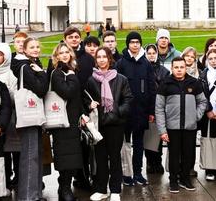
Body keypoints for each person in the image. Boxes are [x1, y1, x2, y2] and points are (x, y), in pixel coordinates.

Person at [85, 47, 133, 201]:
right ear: (96, 60)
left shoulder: (121, 79)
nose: (101, 60)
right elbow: (86, 99)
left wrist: (117, 112)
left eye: (104, 56)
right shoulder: (91, 80)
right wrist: (89, 105)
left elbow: (128, 99)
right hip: (99, 125)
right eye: (98, 57)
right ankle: (101, 189)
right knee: (100, 157)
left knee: (115, 157)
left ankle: (115, 190)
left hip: (116, 124)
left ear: (109, 58)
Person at [156, 57, 208, 193]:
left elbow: (203, 102)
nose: (179, 70)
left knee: (188, 154)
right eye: (176, 67)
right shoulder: (165, 84)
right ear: (172, 69)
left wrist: (196, 116)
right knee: (174, 154)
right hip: (172, 127)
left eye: (181, 67)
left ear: (186, 68)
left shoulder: (194, 83)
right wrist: (162, 130)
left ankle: (185, 179)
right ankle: (173, 180)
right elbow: (159, 108)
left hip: (189, 127)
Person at [116, 31, 156, 186]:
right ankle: (126, 173)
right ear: (128, 44)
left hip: (141, 110)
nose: (135, 45)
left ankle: (138, 172)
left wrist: (151, 111)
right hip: (125, 111)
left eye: (137, 42)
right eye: (132, 42)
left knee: (139, 144)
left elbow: (152, 87)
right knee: (125, 144)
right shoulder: (121, 63)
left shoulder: (146, 63)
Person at [11, 37, 49, 201]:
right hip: (29, 115)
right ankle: (28, 196)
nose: (35, 50)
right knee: (30, 155)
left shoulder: (32, 63)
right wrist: (41, 73)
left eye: (37, 47)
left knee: (35, 154)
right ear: (24, 50)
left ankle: (35, 194)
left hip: (33, 115)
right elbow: (41, 89)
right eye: (31, 47)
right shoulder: (26, 66)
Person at [49, 43, 83, 201]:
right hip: (61, 121)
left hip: (73, 119)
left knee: (73, 157)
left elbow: (78, 95)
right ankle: (64, 188)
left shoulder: (72, 70)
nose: (64, 55)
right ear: (56, 56)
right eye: (60, 53)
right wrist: (70, 76)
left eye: (66, 52)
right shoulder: (57, 73)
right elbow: (67, 92)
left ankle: (65, 186)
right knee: (64, 157)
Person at [0, 42, 20, 190]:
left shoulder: (10, 75)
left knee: (12, 148)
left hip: (9, 118)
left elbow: (14, 98)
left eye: (0, 54)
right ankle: (3, 180)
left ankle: (17, 178)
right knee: (0, 152)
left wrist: (4, 93)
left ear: (5, 58)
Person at [198, 49, 216, 182]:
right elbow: (201, 94)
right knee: (208, 139)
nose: (213, 61)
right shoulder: (203, 74)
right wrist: (208, 110)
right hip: (208, 112)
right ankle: (210, 168)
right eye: (210, 58)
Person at [144, 43, 170, 174]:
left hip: (160, 107)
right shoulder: (143, 68)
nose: (151, 55)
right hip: (147, 107)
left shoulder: (164, 71)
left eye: (154, 53)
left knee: (158, 137)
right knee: (148, 137)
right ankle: (150, 161)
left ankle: (157, 161)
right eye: (149, 53)